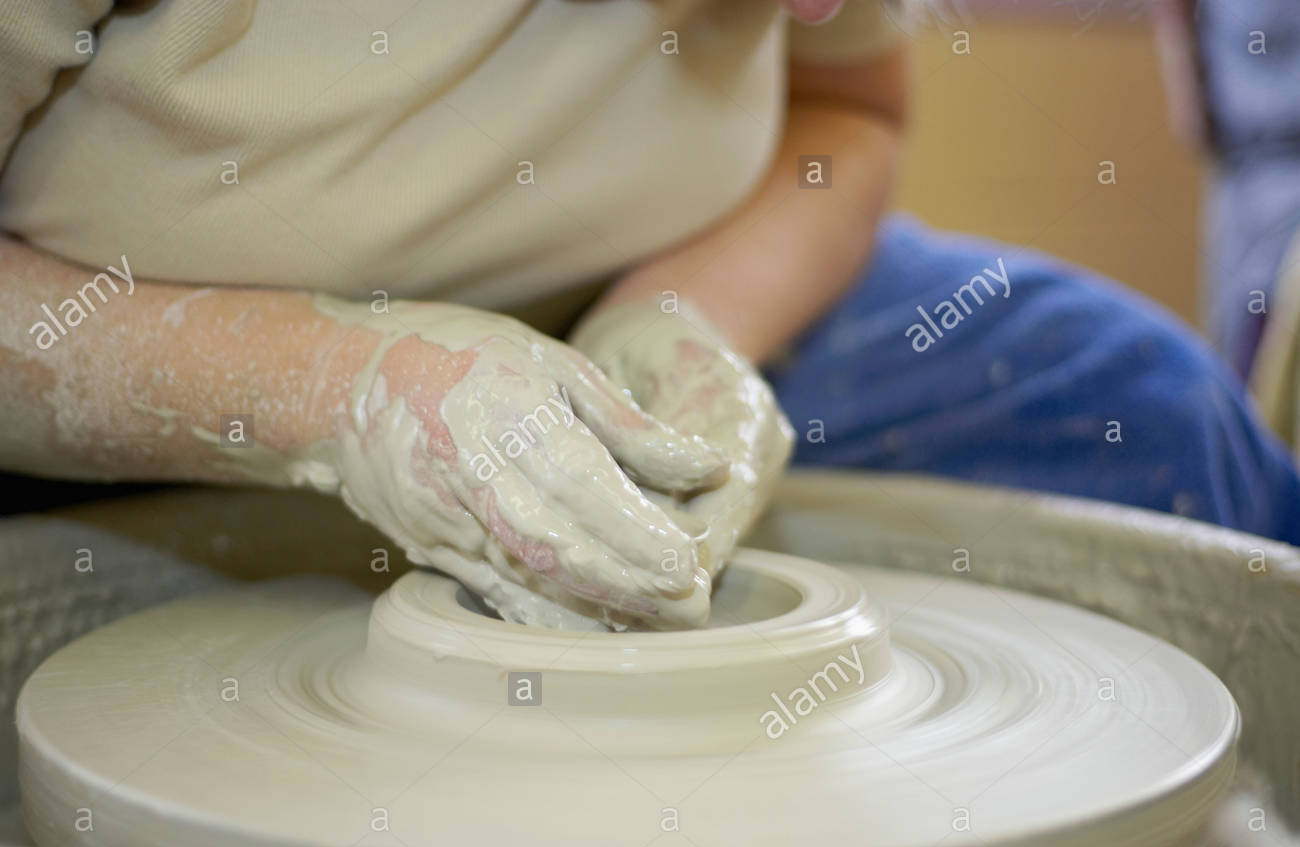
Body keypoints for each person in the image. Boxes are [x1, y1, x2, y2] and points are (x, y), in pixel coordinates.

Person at [1, 1, 1296, 631]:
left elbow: (854, 106)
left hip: (657, 277)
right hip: (126, 358)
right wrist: (336, 390)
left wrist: (690, 318)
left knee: (1151, 418)